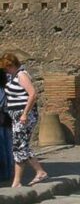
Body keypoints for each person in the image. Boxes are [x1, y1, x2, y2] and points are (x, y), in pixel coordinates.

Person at [0, 53, 48, 187]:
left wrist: (25, 114)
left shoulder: (22, 75)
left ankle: (39, 172)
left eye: (6, 68)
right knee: (18, 148)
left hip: (24, 115)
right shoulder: (13, 76)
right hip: (16, 116)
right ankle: (18, 181)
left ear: (11, 65)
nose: (5, 70)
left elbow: (32, 94)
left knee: (20, 146)